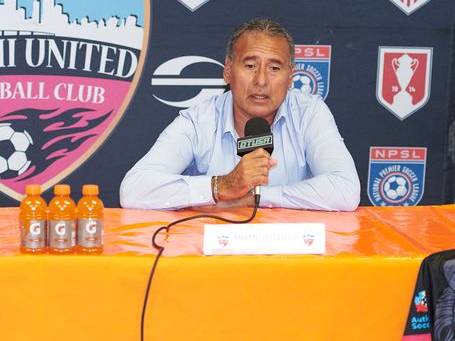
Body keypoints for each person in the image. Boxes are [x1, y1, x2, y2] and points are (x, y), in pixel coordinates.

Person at [120, 18, 360, 211]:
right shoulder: (198, 121)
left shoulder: (309, 114)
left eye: (274, 68)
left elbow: (345, 190)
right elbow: (133, 190)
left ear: (290, 78)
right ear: (227, 71)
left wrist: (256, 198)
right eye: (250, 66)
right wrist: (221, 186)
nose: (261, 80)